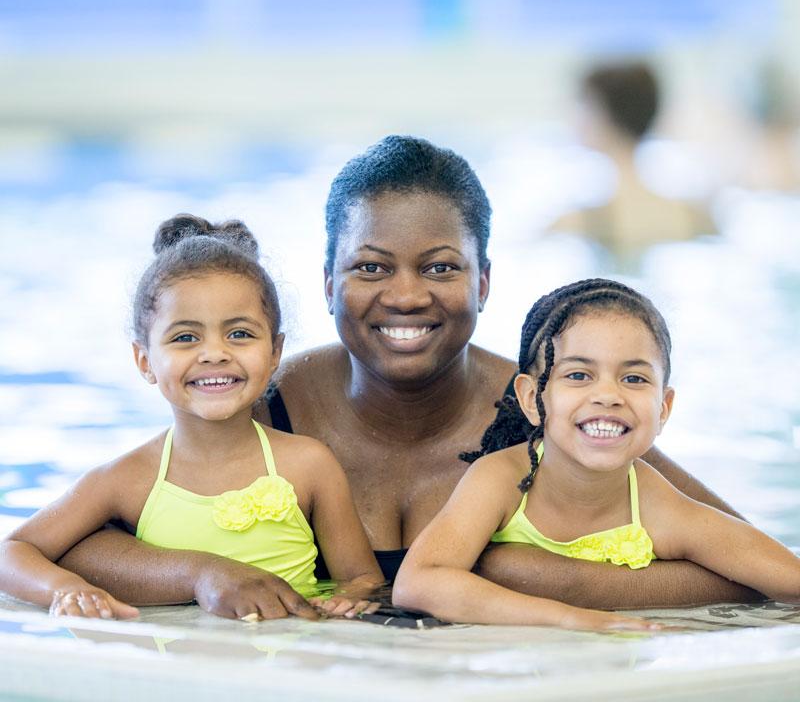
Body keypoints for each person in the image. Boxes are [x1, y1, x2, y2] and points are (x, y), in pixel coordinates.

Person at [57, 136, 760, 619]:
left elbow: (745, 563)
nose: (406, 295)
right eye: (370, 267)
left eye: (441, 267)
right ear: (326, 285)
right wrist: (197, 572)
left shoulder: (550, 411)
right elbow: (76, 545)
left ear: (484, 283)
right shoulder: (261, 408)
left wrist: (535, 578)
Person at [0, 214, 382, 620]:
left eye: (239, 334)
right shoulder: (126, 478)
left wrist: (351, 597)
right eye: (185, 337)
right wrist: (68, 589)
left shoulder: (309, 464)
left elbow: (361, 578)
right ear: (144, 360)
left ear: (274, 353)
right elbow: (13, 551)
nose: (214, 353)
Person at [392, 279, 800, 629]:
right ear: (533, 398)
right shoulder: (500, 480)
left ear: (663, 409)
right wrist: (570, 618)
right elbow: (418, 584)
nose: (608, 395)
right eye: (578, 375)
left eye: (634, 378)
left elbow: (789, 580)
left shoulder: (656, 505)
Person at [552, 61, 716, 263]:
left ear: (602, 113)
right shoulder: (698, 217)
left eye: (583, 104)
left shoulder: (573, 224)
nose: (575, 118)